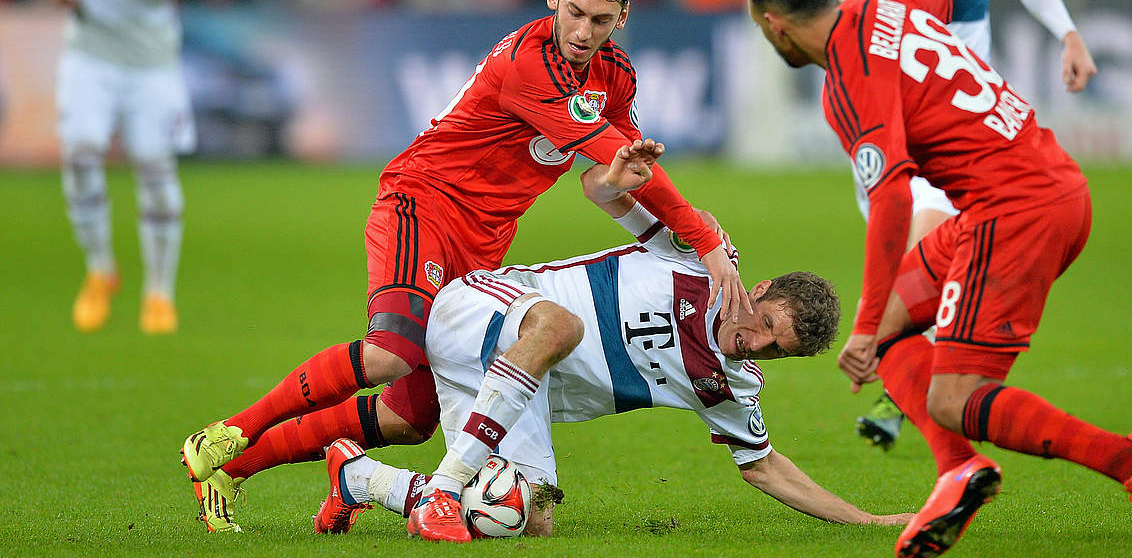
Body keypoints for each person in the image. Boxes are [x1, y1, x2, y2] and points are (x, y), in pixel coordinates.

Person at [179, 0, 749, 533]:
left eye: (601, 20)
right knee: (389, 354)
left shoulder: (615, 73)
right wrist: (705, 243)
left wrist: (627, 182)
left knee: (411, 414)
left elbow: (615, 169)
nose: (583, 32)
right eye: (575, 12)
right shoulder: (528, 64)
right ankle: (226, 435)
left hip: (483, 244)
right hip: (422, 205)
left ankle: (237, 473)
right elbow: (608, 146)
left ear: (622, 16)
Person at [746, 0, 1132, 558]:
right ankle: (958, 471)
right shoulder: (889, 3)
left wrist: (865, 326)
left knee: (951, 398)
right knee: (902, 323)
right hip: (1049, 181)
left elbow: (894, 201)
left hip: (1013, 211)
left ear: (773, 23)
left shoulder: (847, 83)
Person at [312, 156, 912, 541]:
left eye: (772, 349)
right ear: (758, 291)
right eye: (765, 322)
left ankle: (361, 480)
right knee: (554, 330)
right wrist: (618, 171)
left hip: (522, 388)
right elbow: (596, 189)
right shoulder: (699, 259)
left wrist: (866, 521)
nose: (753, 342)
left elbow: (764, 466)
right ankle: (442, 489)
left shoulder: (733, 385)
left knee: (525, 519)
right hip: (487, 308)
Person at [807, 0, 1098, 450]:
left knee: (931, 248)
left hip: (954, 117)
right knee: (921, 270)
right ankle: (927, 404)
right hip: (886, 108)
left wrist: (1069, 33)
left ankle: (920, 407)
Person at [37, 0, 216, 335]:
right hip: (89, 50)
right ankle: (100, 270)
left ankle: (158, 293)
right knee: (80, 154)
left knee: (155, 170)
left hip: (151, 60)